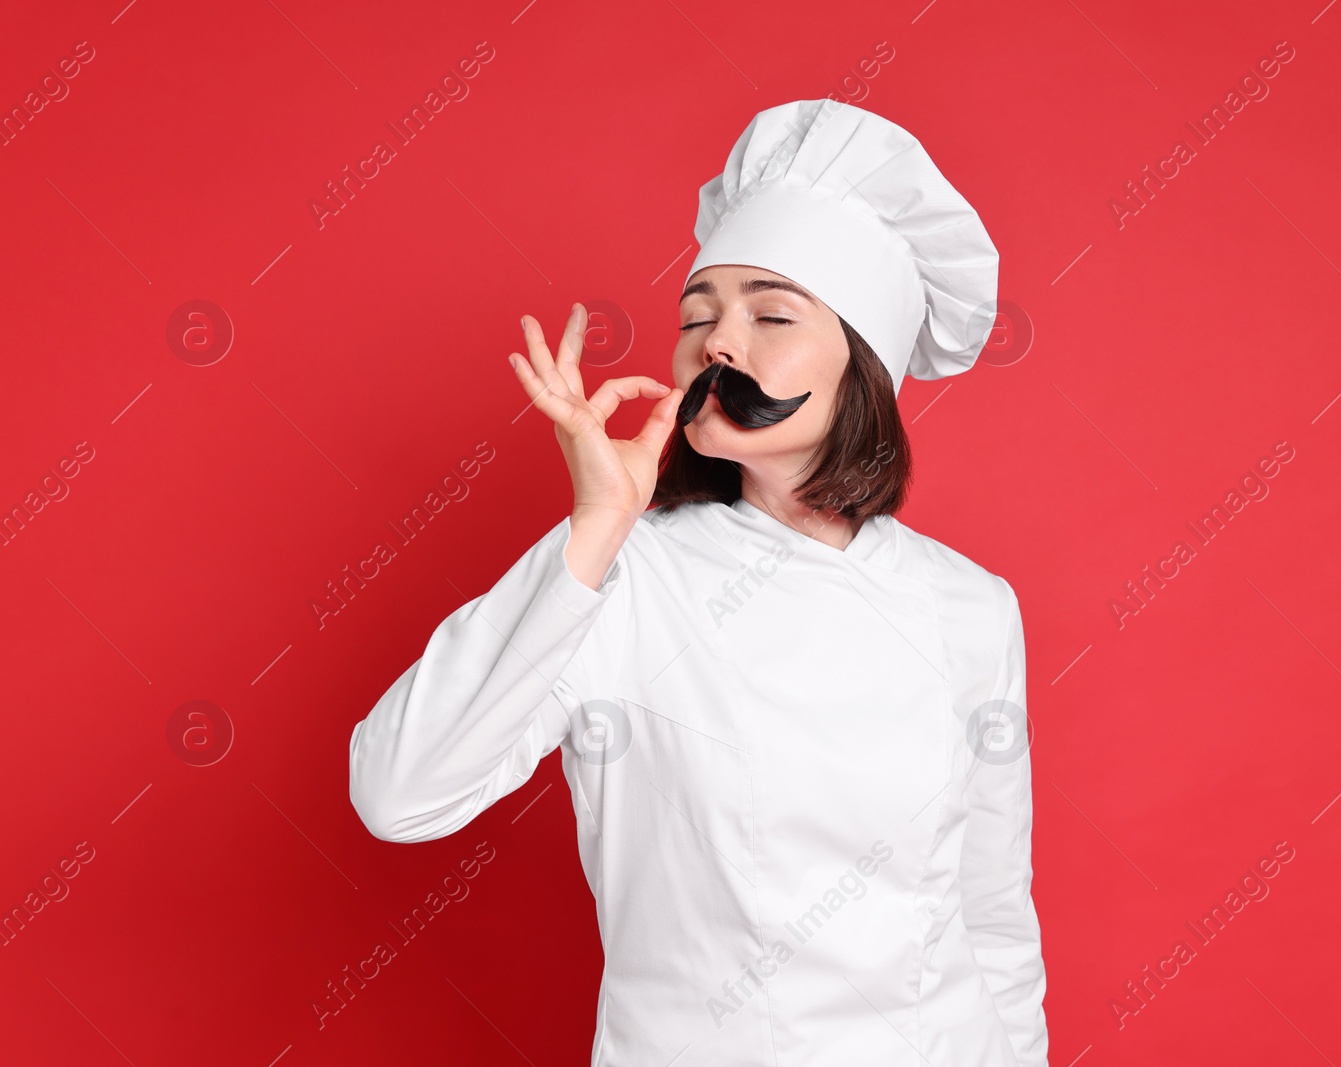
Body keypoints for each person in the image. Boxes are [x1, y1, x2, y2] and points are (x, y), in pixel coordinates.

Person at [348, 98, 1048, 1066]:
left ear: (866, 364)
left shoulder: (971, 602)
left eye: (769, 313)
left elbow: (991, 905)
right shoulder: (620, 576)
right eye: (696, 317)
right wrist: (597, 525)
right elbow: (399, 794)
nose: (718, 343)